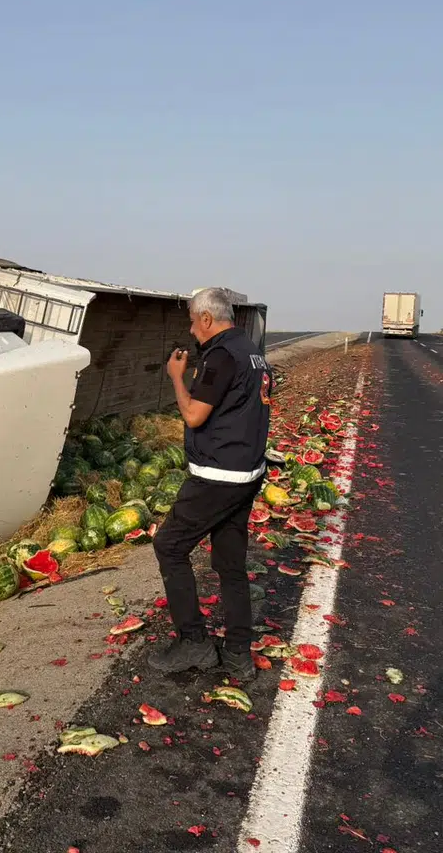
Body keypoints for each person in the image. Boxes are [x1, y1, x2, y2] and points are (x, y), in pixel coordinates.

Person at [147, 287, 271, 680]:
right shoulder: (252, 351)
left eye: (191, 319)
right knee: (229, 563)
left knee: (169, 545)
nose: (191, 328)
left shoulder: (220, 355)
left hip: (218, 477)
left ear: (206, 318)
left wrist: (177, 378)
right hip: (248, 472)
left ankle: (194, 642)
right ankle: (237, 654)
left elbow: (194, 415)